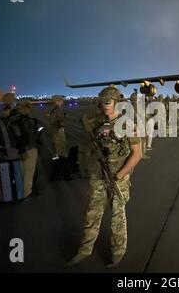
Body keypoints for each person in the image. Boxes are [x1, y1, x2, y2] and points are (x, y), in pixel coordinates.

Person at [68, 87, 142, 268]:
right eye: (102, 103)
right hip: (98, 175)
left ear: (116, 103)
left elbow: (137, 154)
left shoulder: (127, 124)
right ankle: (85, 250)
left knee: (118, 216)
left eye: (108, 103)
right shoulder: (97, 122)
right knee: (92, 214)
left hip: (118, 177)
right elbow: (87, 130)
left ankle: (118, 252)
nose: (104, 106)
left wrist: (120, 174)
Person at [7, 99, 41, 198]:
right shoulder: (27, 121)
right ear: (25, 108)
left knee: (21, 172)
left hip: (16, 150)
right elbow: (30, 136)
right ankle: (26, 194)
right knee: (29, 173)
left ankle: (19, 193)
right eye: (29, 108)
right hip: (29, 149)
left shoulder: (12, 120)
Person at [47, 95, 67, 160]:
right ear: (57, 102)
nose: (62, 102)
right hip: (58, 131)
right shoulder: (58, 110)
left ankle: (58, 158)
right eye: (61, 101)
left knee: (57, 146)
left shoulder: (53, 110)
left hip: (55, 130)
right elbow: (60, 122)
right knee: (61, 147)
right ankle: (61, 161)